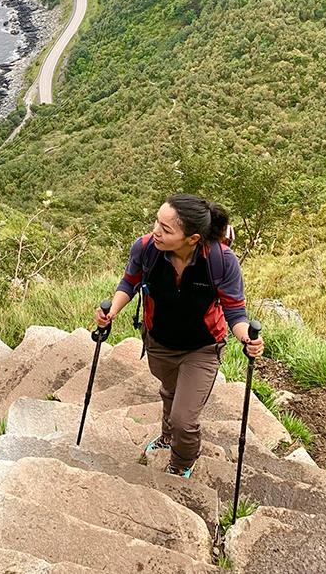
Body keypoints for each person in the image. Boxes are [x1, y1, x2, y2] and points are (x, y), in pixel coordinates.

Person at [94, 194, 263, 477]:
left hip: (203, 347)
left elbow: (235, 312)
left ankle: (182, 462)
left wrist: (248, 339)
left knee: (184, 419)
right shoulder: (147, 249)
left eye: (166, 229)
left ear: (193, 238)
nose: (155, 232)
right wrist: (112, 312)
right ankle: (167, 436)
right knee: (170, 392)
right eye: (156, 223)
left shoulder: (221, 261)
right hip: (159, 340)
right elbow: (130, 282)